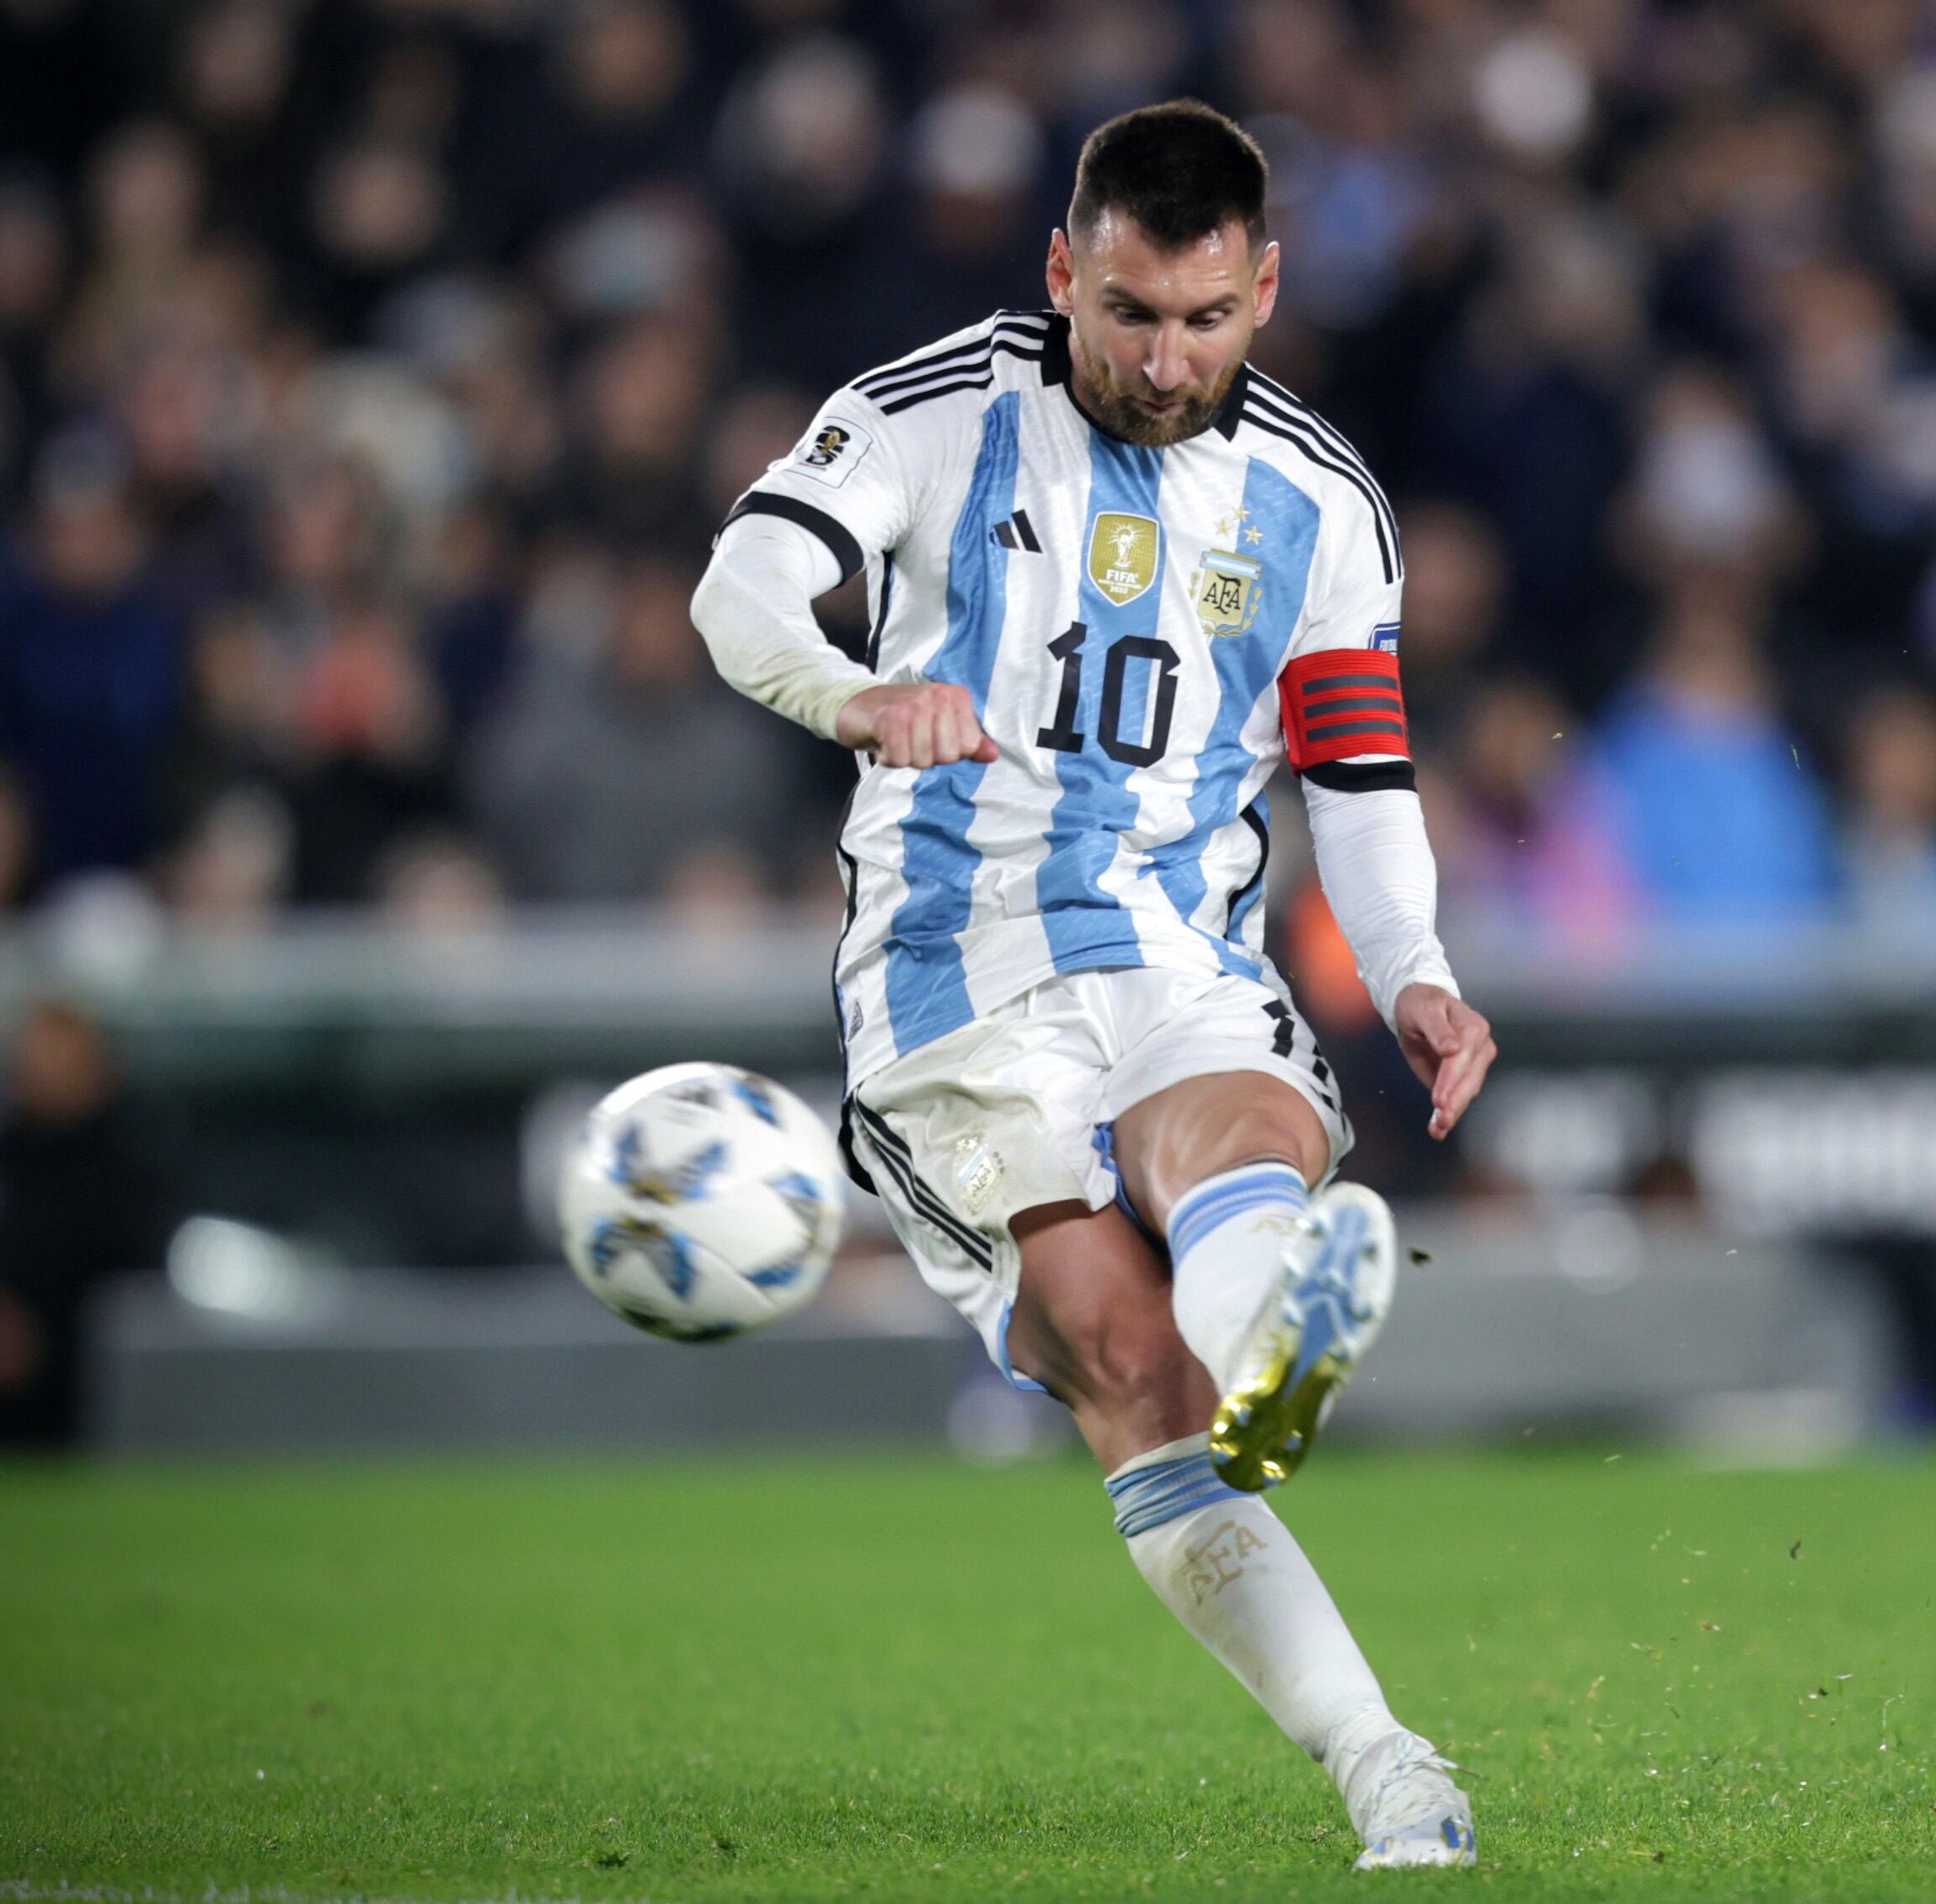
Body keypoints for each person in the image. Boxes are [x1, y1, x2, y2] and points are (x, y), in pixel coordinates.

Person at [690, 101, 1494, 1871]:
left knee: (1237, 1132)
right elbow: (737, 582)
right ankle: (1373, 1730)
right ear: (1064, 267)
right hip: (949, 979)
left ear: (1266, 291)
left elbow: (1354, 769)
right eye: (1129, 311)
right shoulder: (928, 411)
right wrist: (847, 694)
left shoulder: (1321, 500)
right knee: (1126, 1360)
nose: (1164, 356)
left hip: (1181, 944)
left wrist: (1419, 966)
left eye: (1206, 319)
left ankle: (1280, 1356)